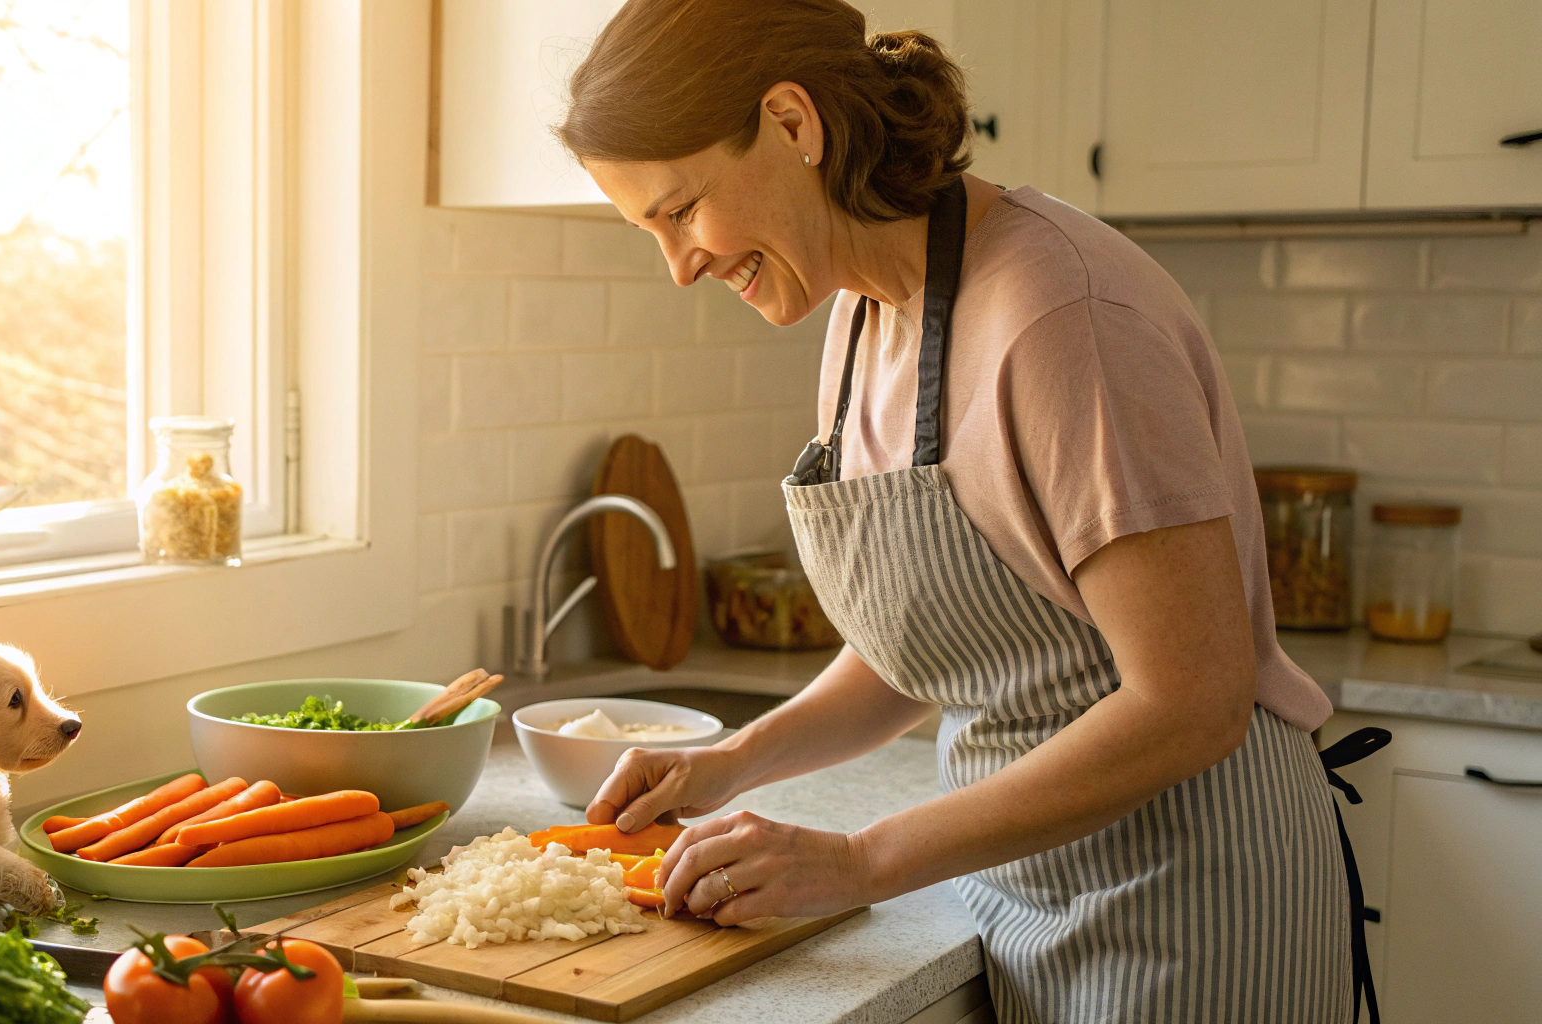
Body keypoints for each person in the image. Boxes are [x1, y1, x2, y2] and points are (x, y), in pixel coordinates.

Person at [555, 1, 1358, 1021]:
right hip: (1025, 887)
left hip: (1191, 898)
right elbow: (930, 641)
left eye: (679, 210)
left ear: (793, 124)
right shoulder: (858, 314)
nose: (678, 265)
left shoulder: (1064, 319)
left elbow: (1190, 700)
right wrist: (730, 760)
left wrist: (858, 859)